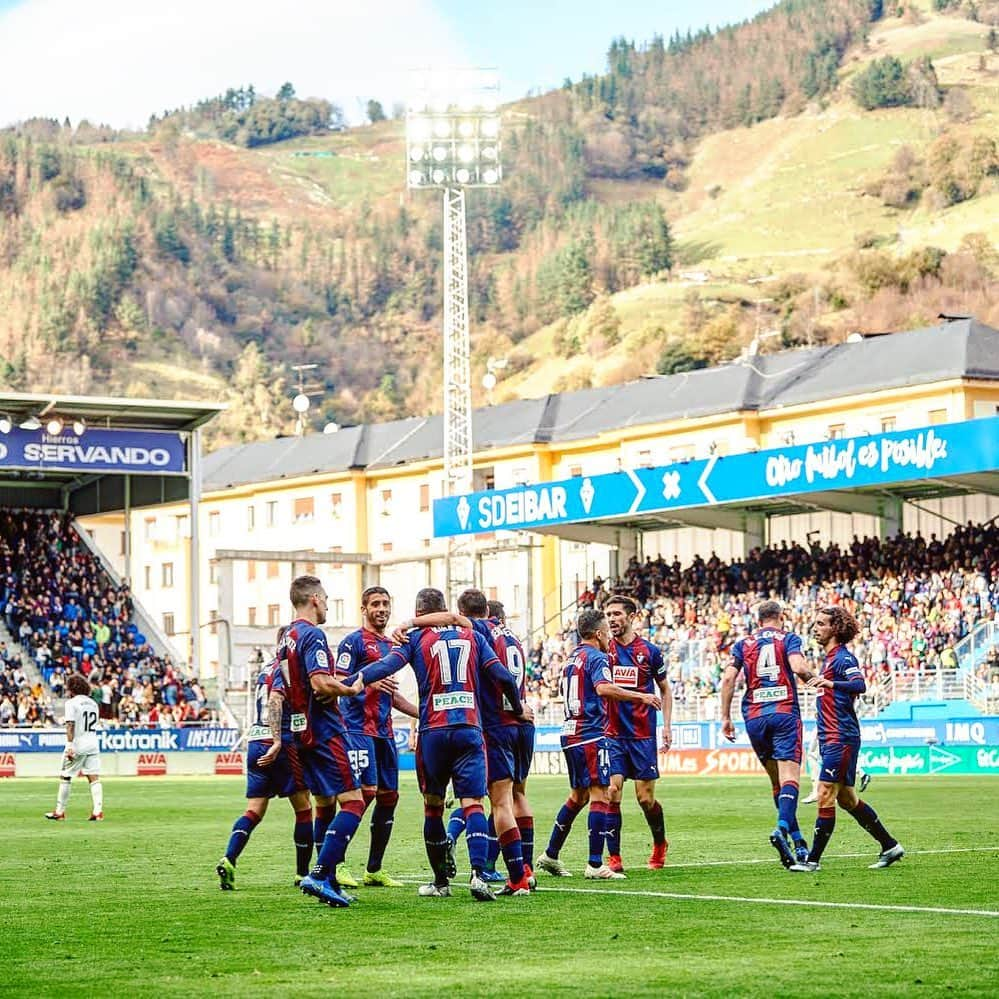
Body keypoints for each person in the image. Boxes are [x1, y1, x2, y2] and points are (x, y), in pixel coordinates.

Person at [352, 587, 531, 900]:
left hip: (434, 731)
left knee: (433, 807)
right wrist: (517, 707)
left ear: (419, 613)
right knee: (473, 803)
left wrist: (353, 681)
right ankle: (478, 876)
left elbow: (384, 668)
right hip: (469, 728)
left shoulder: (415, 638)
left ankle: (440, 883)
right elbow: (502, 675)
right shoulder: (473, 635)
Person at [536, 609, 661, 880]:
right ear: (598, 633)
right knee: (601, 796)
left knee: (577, 796)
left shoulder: (572, 659)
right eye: (605, 631)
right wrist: (641, 697)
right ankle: (594, 864)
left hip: (570, 732)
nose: (608, 637)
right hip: (591, 733)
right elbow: (604, 688)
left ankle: (550, 854)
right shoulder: (597, 657)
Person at [790, 607, 904, 873]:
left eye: (821, 624)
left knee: (825, 794)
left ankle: (812, 860)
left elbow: (860, 685)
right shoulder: (829, 660)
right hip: (832, 737)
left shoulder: (842, 658)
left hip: (841, 736)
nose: (815, 628)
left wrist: (831, 684)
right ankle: (890, 846)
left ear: (835, 628)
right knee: (848, 800)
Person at [280, 575, 367, 908]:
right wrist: (349, 688)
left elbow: (294, 682)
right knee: (354, 802)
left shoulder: (287, 636)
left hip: (301, 731)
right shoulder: (312, 634)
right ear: (314, 598)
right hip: (325, 730)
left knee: (326, 803)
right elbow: (319, 682)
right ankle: (319, 873)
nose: (328, 604)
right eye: (327, 598)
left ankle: (328, 881)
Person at [216, 627, 313, 891]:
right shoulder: (287, 668)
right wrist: (279, 739)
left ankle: (229, 858)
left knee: (254, 810)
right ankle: (302, 874)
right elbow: (274, 701)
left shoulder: (265, 669)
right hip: (277, 741)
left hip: (255, 741)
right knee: (304, 808)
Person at [334, 586, 418, 888]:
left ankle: (374, 869)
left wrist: (425, 713)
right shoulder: (352, 643)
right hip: (356, 730)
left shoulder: (392, 648)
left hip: (384, 733)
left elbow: (392, 696)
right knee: (363, 795)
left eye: (386, 604)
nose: (382, 609)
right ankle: (336, 863)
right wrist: (369, 684)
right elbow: (338, 681)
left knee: (389, 797)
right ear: (364, 608)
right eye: (376, 604)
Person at [720, 599, 815, 867]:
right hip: (784, 713)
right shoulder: (789, 638)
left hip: (754, 717)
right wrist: (817, 682)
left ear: (759, 620)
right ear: (780, 617)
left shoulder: (743, 644)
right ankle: (782, 830)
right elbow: (798, 668)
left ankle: (799, 844)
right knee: (790, 779)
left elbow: (728, 679)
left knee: (777, 783)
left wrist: (725, 717)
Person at [603, 595, 673, 874]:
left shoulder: (650, 651)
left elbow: (665, 689)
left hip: (643, 735)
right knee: (612, 792)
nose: (611, 619)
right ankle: (614, 857)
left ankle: (659, 843)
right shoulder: (603, 650)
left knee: (645, 799)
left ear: (632, 617)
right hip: (612, 734)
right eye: (608, 614)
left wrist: (666, 726)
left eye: (617, 614)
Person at [45, 673, 103, 821]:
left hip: (78, 744)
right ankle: (98, 812)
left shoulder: (71, 703)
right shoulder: (93, 703)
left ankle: (59, 812)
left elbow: (70, 724)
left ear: (72, 688)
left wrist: (70, 745)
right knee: (94, 778)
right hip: (93, 743)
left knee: (66, 776)